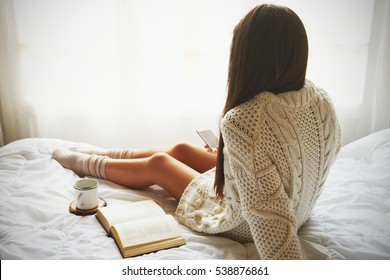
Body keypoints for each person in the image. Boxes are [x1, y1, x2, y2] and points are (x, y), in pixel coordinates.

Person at [53, 4, 342, 259]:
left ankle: (80, 162)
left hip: (243, 222)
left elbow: (267, 214)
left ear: (246, 57)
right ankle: (100, 152)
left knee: (161, 164)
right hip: (298, 208)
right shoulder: (321, 99)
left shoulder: (246, 118)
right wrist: (230, 159)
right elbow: (286, 160)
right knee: (181, 150)